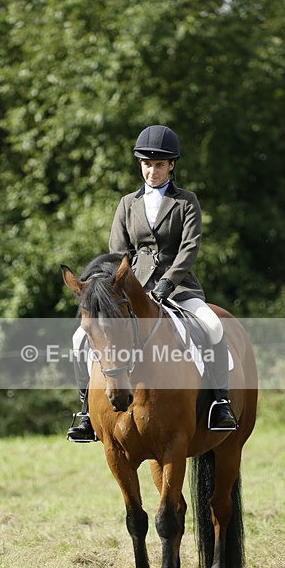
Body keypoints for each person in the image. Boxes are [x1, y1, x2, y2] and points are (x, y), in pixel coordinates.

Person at [67, 124, 238, 442]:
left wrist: (168, 283)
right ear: (140, 165)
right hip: (132, 291)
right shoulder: (126, 204)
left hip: (179, 287)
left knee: (213, 326)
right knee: (80, 338)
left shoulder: (186, 202)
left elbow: (189, 248)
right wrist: (115, 286)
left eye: (159, 164)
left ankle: (220, 402)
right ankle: (85, 412)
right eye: (147, 164)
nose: (152, 171)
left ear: (171, 165)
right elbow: (118, 253)